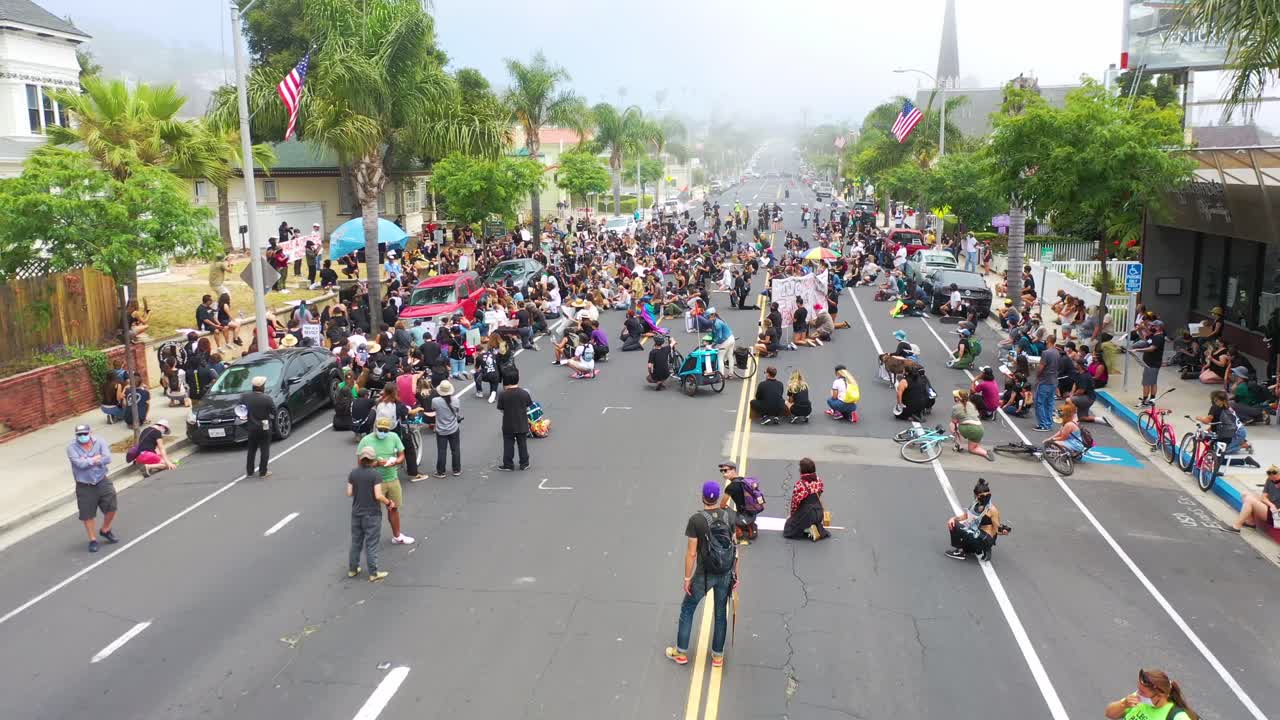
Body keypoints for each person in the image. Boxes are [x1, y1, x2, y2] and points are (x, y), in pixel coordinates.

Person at [665, 480, 738, 668]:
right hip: (724, 573)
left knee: (688, 608)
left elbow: (691, 553)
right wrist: (734, 574)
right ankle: (717, 656)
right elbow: (734, 546)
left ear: (702, 496)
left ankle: (681, 652)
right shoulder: (729, 516)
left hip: (704, 574)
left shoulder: (696, 520)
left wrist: (687, 578)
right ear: (718, 495)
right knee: (721, 613)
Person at [358, 416, 414, 545]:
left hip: (392, 479)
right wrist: (376, 464)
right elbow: (360, 464)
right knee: (372, 513)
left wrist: (395, 462)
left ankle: (397, 536)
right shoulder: (366, 441)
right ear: (375, 428)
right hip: (374, 482)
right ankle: (369, 539)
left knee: (393, 508)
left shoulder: (394, 437)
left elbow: (401, 455)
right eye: (380, 429)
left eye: (385, 430)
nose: (382, 432)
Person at [67, 424, 117, 553]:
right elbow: (79, 464)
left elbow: (107, 458)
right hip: (84, 485)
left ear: (90, 432)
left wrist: (88, 460)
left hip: (101, 480)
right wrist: (95, 459)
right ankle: (93, 539)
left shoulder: (99, 441)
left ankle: (105, 529)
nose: (82, 436)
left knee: (111, 507)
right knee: (87, 514)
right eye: (79, 435)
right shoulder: (71, 448)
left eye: (85, 434)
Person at [348, 446, 393, 582]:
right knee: (371, 544)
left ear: (361, 459)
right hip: (372, 514)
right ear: (373, 460)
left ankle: (353, 569)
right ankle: (373, 573)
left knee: (356, 542)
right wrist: (389, 502)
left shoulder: (353, 473)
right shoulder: (375, 475)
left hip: (356, 513)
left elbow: (349, 493)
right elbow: (378, 495)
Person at [1103, 668, 1199, 719]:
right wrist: (1123, 704)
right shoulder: (1136, 699)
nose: (1138, 693)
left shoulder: (1176, 717)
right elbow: (1109, 714)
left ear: (1160, 695)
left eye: (1143, 692)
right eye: (1138, 689)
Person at [945, 478, 1001, 560]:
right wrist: (953, 518)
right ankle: (977, 549)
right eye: (982, 496)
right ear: (976, 496)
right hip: (976, 533)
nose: (985, 498)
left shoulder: (992, 510)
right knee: (954, 523)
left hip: (984, 538)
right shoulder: (975, 504)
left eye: (987, 496)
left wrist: (1002, 531)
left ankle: (962, 551)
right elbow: (966, 516)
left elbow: (997, 529)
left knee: (956, 525)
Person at [783, 457, 829, 541]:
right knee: (807, 519)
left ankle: (808, 528)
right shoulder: (818, 480)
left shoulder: (800, 485)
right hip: (819, 512)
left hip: (807, 514)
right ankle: (815, 526)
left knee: (788, 530)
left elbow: (794, 503)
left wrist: (792, 516)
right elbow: (820, 493)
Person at [496, 370, 532, 471]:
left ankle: (508, 464)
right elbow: (528, 408)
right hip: (522, 423)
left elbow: (501, 409)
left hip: (508, 424)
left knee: (508, 444)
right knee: (522, 444)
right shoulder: (524, 393)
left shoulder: (503, 395)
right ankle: (524, 463)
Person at [241, 375, 276, 478]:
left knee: (251, 450)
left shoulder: (245, 397)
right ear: (262, 387)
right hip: (264, 426)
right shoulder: (267, 398)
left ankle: (250, 471)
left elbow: (240, 410)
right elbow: (274, 412)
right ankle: (263, 471)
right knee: (265, 449)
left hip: (251, 426)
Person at [719, 461, 762, 543]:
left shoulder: (731, 487)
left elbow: (722, 505)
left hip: (743, 517)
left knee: (722, 511)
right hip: (753, 513)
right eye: (722, 471)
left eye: (725, 470)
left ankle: (738, 531)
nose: (723, 473)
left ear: (733, 470)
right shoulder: (744, 480)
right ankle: (749, 526)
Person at [1196, 390, 1247, 457]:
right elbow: (1217, 423)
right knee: (1216, 446)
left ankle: (1243, 445)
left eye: (1216, 400)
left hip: (1236, 433)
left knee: (1221, 452)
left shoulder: (1215, 408)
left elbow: (1207, 421)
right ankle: (1238, 442)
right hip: (1237, 430)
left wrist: (1198, 418)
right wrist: (1207, 430)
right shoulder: (1226, 407)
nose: (1214, 402)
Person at [951, 389, 995, 462]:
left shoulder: (955, 407)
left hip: (968, 428)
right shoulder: (971, 404)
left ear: (957, 398)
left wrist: (960, 420)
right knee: (973, 448)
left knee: (952, 424)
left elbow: (954, 421)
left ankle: (958, 445)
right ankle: (985, 453)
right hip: (979, 429)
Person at [432, 379, 463, 477]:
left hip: (441, 429)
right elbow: (457, 411)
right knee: (455, 449)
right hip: (453, 428)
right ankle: (456, 470)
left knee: (442, 450)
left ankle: (441, 472)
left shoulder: (435, 401)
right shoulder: (456, 400)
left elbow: (433, 409)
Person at [1132, 321, 1166, 408]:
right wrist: (1139, 330)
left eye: (1153, 326)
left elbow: (1152, 348)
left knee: (1146, 383)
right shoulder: (1153, 336)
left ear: (1158, 328)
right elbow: (1144, 339)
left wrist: (1138, 350)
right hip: (1149, 363)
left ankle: (1145, 401)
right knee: (1152, 382)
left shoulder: (1159, 338)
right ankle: (1151, 400)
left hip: (1153, 363)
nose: (1151, 327)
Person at [1033, 334, 1061, 431]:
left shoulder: (1046, 353)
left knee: (1039, 402)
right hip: (1053, 381)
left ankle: (1043, 424)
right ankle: (1048, 423)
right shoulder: (1057, 352)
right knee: (1049, 403)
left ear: (1048, 341)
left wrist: (1037, 375)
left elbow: (1041, 367)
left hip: (1045, 381)